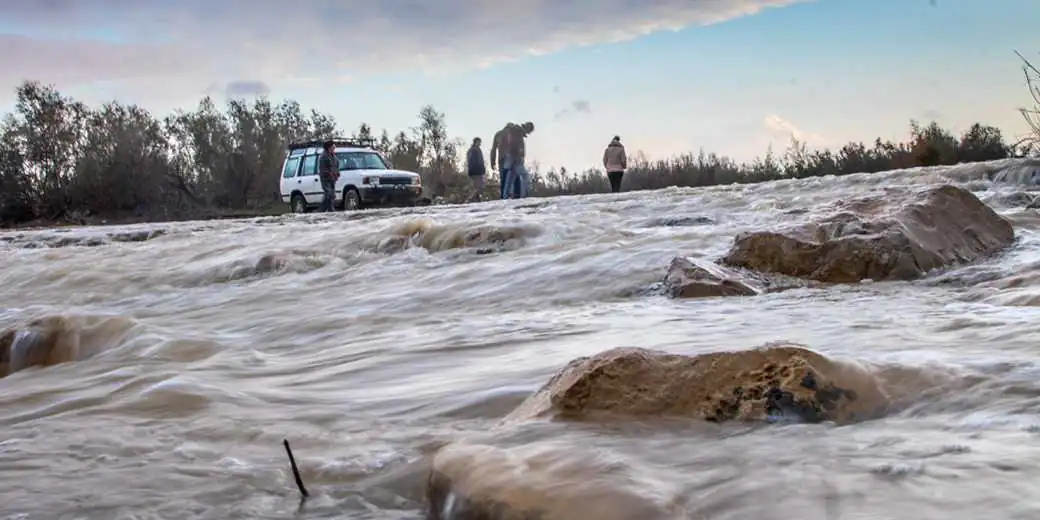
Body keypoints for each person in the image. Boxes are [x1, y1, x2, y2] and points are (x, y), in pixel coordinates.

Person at [490, 121, 534, 199]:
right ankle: (516, 196)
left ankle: (505, 197)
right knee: (515, 177)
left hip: (502, 158)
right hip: (511, 156)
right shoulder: (514, 132)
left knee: (506, 177)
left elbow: (493, 149)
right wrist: (519, 156)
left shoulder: (499, 134)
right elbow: (514, 145)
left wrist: (492, 162)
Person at [318, 140, 340, 212]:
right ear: (328, 148)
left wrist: (337, 174)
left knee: (332, 194)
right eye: (333, 147)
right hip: (325, 179)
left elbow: (337, 166)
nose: (334, 149)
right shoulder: (323, 157)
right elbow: (323, 169)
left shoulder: (334, 157)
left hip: (332, 179)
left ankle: (327, 209)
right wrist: (330, 173)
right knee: (328, 193)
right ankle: (324, 209)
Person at [466, 137, 486, 202]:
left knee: (476, 187)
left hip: (472, 171)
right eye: (479, 142)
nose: (480, 143)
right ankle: (470, 199)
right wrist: (482, 169)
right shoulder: (476, 150)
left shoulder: (470, 150)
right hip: (477, 171)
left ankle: (478, 201)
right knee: (480, 187)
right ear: (476, 142)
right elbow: (479, 161)